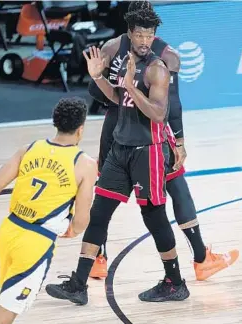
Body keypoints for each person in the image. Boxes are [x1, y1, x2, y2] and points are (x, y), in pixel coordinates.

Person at [46, 6, 190, 304]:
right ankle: (78, 284)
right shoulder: (125, 61)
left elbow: (159, 114)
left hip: (147, 153)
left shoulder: (156, 68)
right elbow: (116, 98)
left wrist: (131, 88)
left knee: (154, 216)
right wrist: (100, 78)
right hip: (120, 150)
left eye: (149, 35)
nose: (144, 40)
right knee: (99, 213)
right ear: (130, 33)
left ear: (154, 36)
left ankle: (175, 281)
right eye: (139, 34)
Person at [88, 0, 238, 281]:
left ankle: (98, 259)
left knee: (104, 197)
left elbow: (94, 91)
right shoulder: (167, 55)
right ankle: (200, 259)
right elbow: (173, 106)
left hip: (114, 128)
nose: (145, 38)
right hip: (148, 136)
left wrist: (122, 98)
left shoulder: (110, 47)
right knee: (176, 189)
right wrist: (179, 141)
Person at [0, 98, 97, 324]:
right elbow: (82, 218)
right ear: (81, 128)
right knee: (9, 306)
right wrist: (73, 230)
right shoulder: (84, 163)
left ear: (55, 123)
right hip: (35, 243)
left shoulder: (29, 148)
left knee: (6, 297)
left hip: (9, 231)